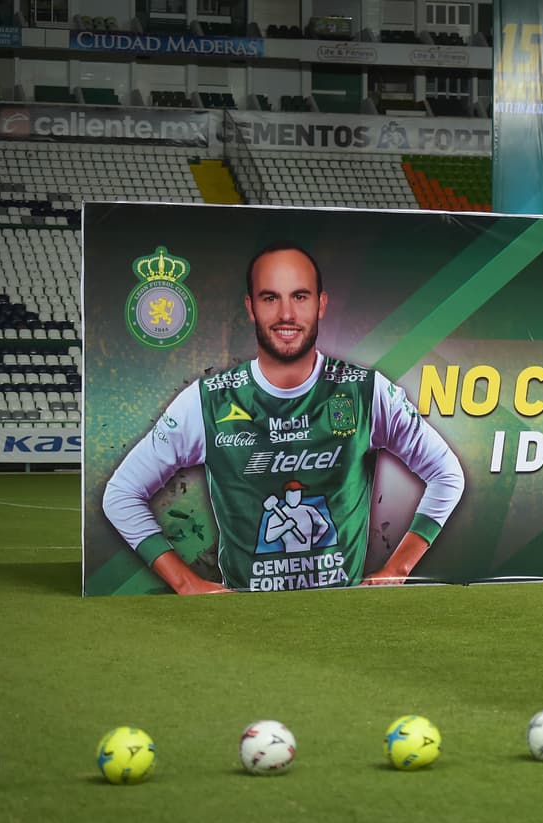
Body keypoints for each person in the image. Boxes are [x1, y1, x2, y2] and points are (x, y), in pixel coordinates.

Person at [102, 241, 465, 594]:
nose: (287, 314)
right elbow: (121, 494)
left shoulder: (364, 391)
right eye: (270, 297)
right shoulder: (206, 401)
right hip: (246, 616)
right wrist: (186, 583)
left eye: (300, 296)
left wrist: (396, 570)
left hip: (344, 609)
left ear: (321, 304)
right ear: (251, 307)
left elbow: (447, 473)